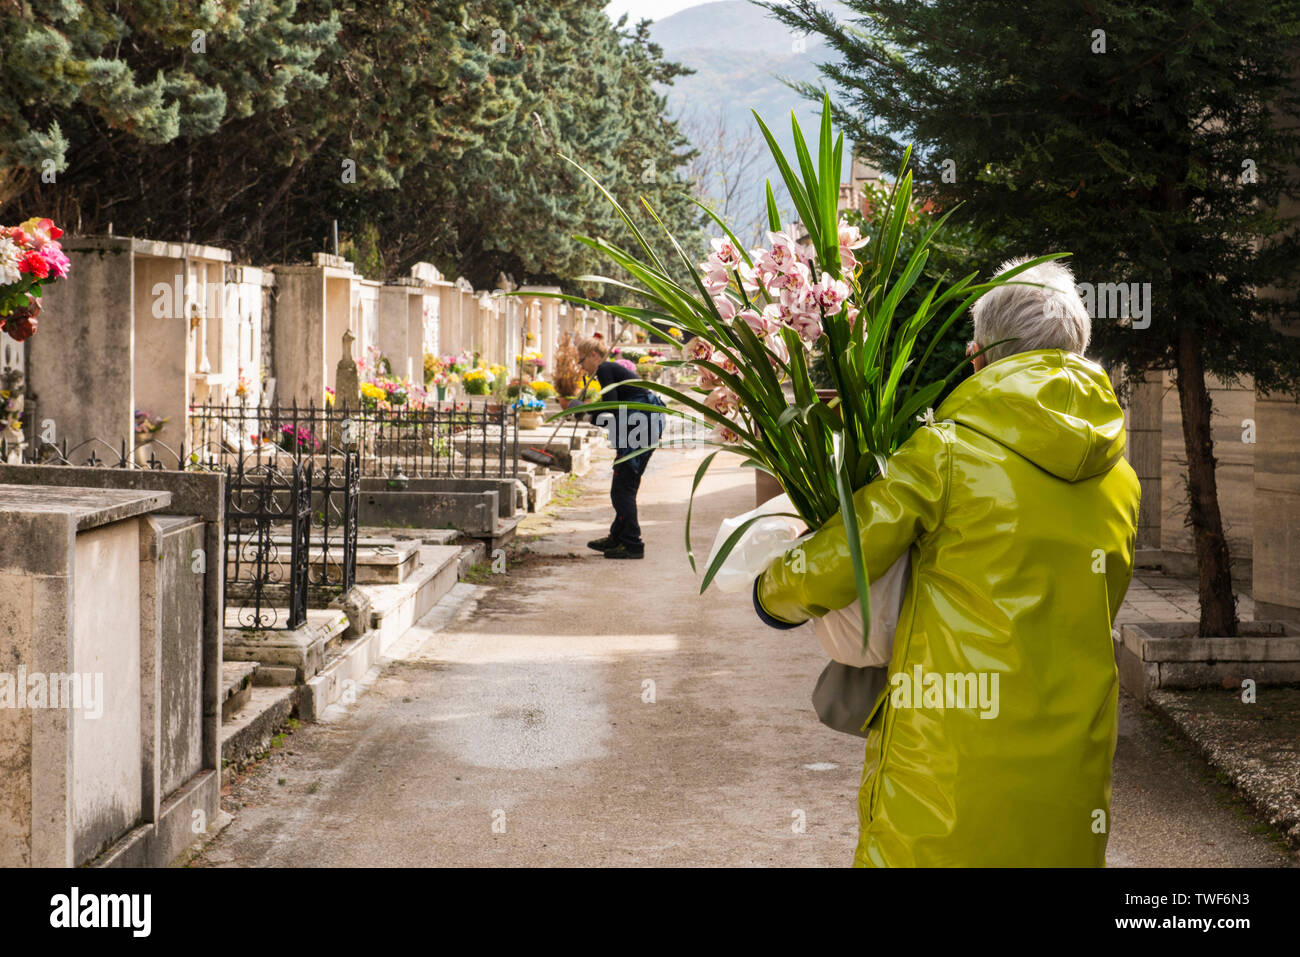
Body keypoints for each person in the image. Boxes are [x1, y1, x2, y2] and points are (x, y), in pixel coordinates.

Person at [754, 256, 1141, 867]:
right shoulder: (1120, 477)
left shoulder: (945, 451)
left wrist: (773, 592)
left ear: (981, 354)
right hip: (1074, 751)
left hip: (945, 750)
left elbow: (848, 551)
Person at [574, 337, 665, 559]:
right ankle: (618, 536)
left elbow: (611, 408)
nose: (580, 365)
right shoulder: (609, 370)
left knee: (622, 487)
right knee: (625, 483)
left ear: (594, 355)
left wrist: (587, 414)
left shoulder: (605, 368)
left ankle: (632, 542)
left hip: (640, 423)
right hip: (643, 423)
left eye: (582, 360)